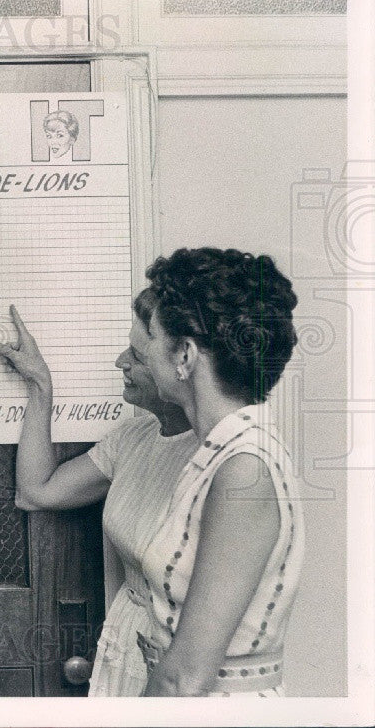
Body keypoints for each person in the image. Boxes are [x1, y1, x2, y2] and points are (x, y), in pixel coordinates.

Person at [0, 291, 199, 696]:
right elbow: (36, 493)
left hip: (173, 653)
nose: (120, 361)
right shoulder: (136, 436)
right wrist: (40, 387)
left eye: (137, 356)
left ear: (183, 365)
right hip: (126, 635)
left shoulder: (218, 455)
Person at [132, 247, 302, 697]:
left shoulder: (244, 468)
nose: (142, 353)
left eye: (150, 335)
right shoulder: (219, 448)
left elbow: (186, 677)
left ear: (184, 356)